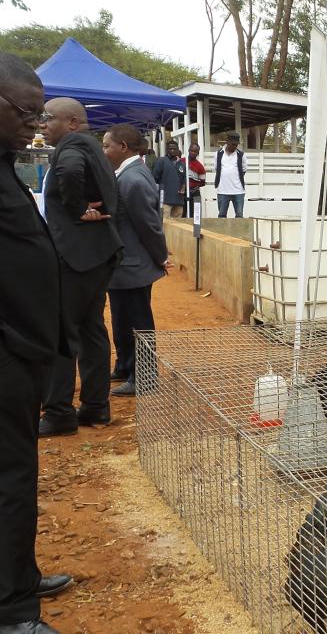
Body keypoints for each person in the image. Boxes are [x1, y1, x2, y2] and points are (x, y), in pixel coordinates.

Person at [0, 50, 72, 634]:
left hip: (24, 354)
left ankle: (17, 573)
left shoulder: (6, 164)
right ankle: (13, 611)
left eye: (40, 111)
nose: (34, 122)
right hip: (7, 354)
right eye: (26, 111)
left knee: (16, 475)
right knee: (10, 481)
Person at [38, 97, 123, 438]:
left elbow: (70, 171)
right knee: (91, 331)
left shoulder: (71, 146)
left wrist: (75, 209)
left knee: (62, 333)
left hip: (76, 257)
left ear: (72, 122)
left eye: (48, 118)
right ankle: (95, 408)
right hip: (97, 254)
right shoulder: (89, 146)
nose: (42, 124)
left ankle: (59, 412)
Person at [102, 124, 172, 397]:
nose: (103, 150)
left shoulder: (132, 179)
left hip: (134, 266)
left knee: (137, 322)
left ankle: (144, 377)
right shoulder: (127, 174)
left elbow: (149, 225)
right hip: (124, 266)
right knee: (121, 319)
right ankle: (125, 365)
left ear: (123, 147)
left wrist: (161, 256)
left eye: (107, 145)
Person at [214, 131, 247, 218]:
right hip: (222, 191)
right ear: (227, 141)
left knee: (239, 216)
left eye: (236, 144)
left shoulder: (241, 155)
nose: (235, 146)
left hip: (238, 191)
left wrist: (234, 179)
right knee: (221, 216)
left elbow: (243, 170)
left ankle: (239, 232)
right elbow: (217, 169)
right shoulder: (218, 154)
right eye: (233, 144)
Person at [152, 138, 186, 219]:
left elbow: (184, 180)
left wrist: (183, 187)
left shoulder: (182, 164)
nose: (172, 151)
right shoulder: (161, 161)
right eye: (170, 149)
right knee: (164, 224)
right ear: (166, 150)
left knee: (177, 225)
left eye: (174, 149)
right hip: (165, 200)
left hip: (179, 200)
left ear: (178, 150)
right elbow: (154, 178)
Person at [181, 142, 206, 219]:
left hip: (195, 193)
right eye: (191, 150)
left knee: (196, 215)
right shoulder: (181, 161)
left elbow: (202, 182)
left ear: (198, 153)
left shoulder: (200, 166)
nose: (193, 153)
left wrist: (193, 187)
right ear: (188, 150)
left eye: (195, 151)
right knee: (182, 214)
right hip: (182, 192)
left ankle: (195, 230)